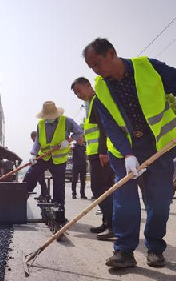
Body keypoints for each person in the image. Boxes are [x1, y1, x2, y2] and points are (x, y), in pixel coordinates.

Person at [83, 38, 176, 268]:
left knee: (160, 201)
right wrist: (128, 154)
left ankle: (154, 247)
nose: (95, 70)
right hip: (124, 153)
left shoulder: (149, 67)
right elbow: (111, 126)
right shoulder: (100, 89)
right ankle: (123, 251)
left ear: (111, 53)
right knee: (125, 202)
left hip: (160, 147)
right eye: (91, 67)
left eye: (97, 63)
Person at [71, 77, 115, 240]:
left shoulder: (97, 101)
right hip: (98, 153)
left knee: (99, 189)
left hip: (101, 154)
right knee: (106, 190)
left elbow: (104, 127)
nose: (78, 95)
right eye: (76, 93)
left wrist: (103, 150)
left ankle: (112, 226)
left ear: (88, 85)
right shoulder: (91, 104)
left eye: (79, 91)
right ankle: (106, 222)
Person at [23, 101, 83, 215]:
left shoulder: (67, 121)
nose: (48, 118)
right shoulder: (40, 124)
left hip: (59, 159)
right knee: (31, 174)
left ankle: (59, 210)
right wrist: (34, 153)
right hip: (44, 156)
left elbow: (79, 132)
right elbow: (38, 141)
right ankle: (20, 198)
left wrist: (68, 140)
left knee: (59, 185)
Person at [30, 130, 49, 198]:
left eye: (32, 138)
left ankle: (45, 194)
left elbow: (39, 153)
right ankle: (45, 194)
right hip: (39, 163)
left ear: (34, 136)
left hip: (41, 163)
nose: (32, 140)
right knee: (41, 180)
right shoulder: (37, 142)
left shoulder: (39, 142)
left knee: (41, 180)